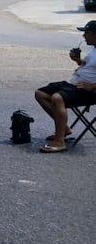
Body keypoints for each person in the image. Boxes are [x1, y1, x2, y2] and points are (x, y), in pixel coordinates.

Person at [35, 20, 96, 153]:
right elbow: (88, 67)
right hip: (74, 84)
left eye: (86, 32)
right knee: (40, 94)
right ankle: (64, 129)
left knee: (57, 98)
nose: (83, 36)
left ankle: (59, 141)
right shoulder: (93, 49)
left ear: (94, 34)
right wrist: (78, 60)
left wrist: (92, 86)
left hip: (89, 91)